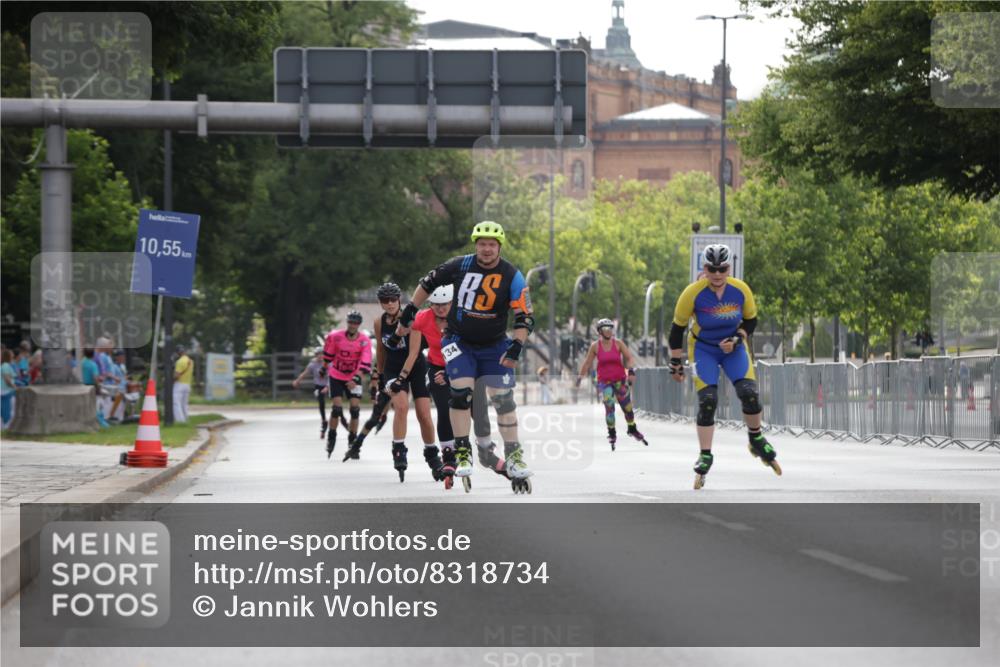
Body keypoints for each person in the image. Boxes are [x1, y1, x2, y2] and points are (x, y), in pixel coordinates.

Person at [395, 220, 534, 493]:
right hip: (458, 341)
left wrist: (517, 345)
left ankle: (514, 455)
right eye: (481, 244)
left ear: (499, 247)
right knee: (461, 394)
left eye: (491, 245)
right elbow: (428, 281)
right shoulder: (460, 265)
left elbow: (525, 317)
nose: (486, 249)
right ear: (476, 245)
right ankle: (462, 450)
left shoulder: (512, 275)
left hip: (494, 344)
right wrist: (411, 308)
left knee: (503, 400)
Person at [668, 243, 781, 490]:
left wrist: (738, 339)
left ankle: (756, 438)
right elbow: (677, 329)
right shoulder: (693, 293)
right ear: (704, 268)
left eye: (722, 269)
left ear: (729, 268)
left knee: (749, 393)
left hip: (733, 348)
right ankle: (705, 454)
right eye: (712, 269)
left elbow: (751, 320)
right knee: (708, 400)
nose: (717, 274)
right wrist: (676, 363)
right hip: (702, 349)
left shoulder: (741, 290)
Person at [394, 284, 510, 488]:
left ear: (453, 303)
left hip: (465, 366)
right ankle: (448, 454)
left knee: (477, 409)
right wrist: (399, 331)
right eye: (436, 305)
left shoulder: (464, 318)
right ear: (430, 304)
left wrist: (449, 373)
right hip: (437, 367)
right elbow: (406, 324)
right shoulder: (423, 318)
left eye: (445, 304)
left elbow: (470, 347)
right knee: (445, 407)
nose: (440, 309)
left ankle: (486, 451)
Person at [346, 284, 438, 483]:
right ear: (380, 303)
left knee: (424, 413)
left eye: (392, 300)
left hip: (415, 367)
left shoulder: (412, 318)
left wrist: (403, 377)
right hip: (392, 369)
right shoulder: (379, 322)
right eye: (384, 301)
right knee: (402, 407)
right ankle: (398, 448)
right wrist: (378, 377)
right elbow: (381, 350)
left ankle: (432, 452)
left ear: (399, 300)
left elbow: (414, 352)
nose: (389, 304)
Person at [576, 319, 646, 450]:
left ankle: (632, 428)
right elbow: (587, 363)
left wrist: (630, 371)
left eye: (610, 328)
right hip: (605, 382)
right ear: (600, 331)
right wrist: (580, 378)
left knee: (628, 407)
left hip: (620, 380)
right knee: (609, 407)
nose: (608, 331)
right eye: (605, 328)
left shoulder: (618, 343)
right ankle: (612, 433)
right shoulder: (595, 346)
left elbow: (629, 357)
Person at [322, 310, 372, 457]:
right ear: (347, 322)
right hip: (337, 375)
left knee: (355, 410)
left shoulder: (364, 340)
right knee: (336, 409)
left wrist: (356, 378)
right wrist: (323, 370)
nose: (352, 325)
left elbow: (366, 360)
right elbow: (328, 356)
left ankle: (352, 442)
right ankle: (331, 437)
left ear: (359, 324)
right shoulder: (335, 337)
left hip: (354, 376)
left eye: (355, 323)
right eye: (350, 322)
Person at [293, 349, 330, 439]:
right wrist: (297, 381)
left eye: (322, 354)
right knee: (321, 402)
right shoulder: (312, 365)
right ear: (315, 355)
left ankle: (343, 420)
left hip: (329, 385)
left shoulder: (328, 363)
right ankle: (324, 420)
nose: (320, 356)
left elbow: (332, 376)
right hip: (318, 386)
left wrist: (328, 387)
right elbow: (305, 373)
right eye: (318, 354)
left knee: (337, 406)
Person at [173, 344, 194, 424]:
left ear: (178, 353)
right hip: (187, 384)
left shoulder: (179, 362)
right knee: (184, 404)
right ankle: (186, 419)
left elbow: (177, 375)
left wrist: (171, 379)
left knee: (176, 403)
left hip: (179, 385)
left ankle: (180, 421)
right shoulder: (191, 361)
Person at [1, 348, 17, 429]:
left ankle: (5, 425)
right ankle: (6, 426)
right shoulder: (6, 366)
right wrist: (14, 387)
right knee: (9, 410)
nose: (13, 356)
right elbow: (7, 379)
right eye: (11, 355)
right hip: (7, 390)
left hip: (5, 390)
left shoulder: (5, 365)